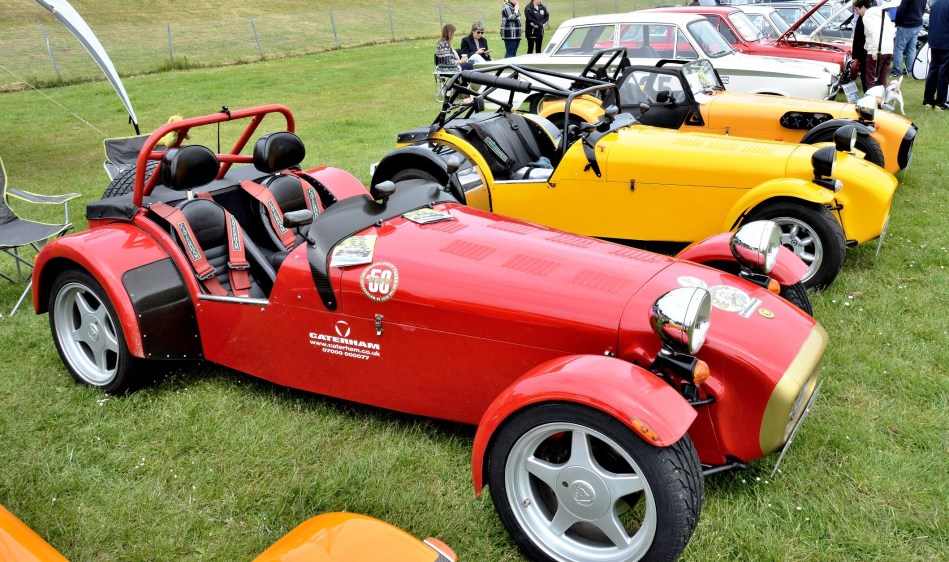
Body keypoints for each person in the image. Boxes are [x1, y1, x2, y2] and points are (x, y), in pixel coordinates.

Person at [854, 0, 895, 90]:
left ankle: (871, 101)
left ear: (863, 7)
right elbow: (892, 33)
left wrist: (874, 52)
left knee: (870, 80)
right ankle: (881, 100)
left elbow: (873, 33)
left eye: (857, 9)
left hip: (877, 50)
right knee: (882, 79)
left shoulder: (867, 16)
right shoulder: (884, 15)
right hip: (888, 50)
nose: (857, 12)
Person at [924, 0, 949, 109]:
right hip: (946, 42)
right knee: (943, 72)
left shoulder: (936, 3)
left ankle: (928, 100)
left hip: (934, 41)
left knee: (933, 69)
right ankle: (940, 102)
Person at [892, 0, 927, 76]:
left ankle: (896, 70)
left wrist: (897, 22)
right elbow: (923, 8)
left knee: (899, 48)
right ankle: (910, 70)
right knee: (912, 48)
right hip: (917, 23)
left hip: (906, 24)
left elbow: (901, 9)